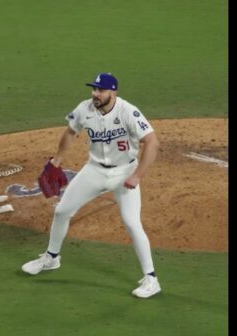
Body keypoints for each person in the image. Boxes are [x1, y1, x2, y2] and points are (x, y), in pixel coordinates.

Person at [22, 73, 161, 298]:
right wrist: (57, 159)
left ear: (113, 92)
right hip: (94, 170)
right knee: (62, 211)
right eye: (94, 89)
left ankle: (151, 279)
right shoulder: (84, 109)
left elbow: (152, 142)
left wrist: (137, 176)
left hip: (124, 171)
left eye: (101, 90)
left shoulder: (128, 111)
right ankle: (52, 258)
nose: (95, 94)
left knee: (132, 223)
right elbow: (70, 132)